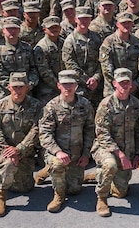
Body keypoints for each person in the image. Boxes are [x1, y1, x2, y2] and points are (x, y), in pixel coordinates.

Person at [0, 72, 44, 217]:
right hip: (4, 150)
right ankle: (1, 196)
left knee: (25, 188)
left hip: (25, 151)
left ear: (27, 88)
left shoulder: (36, 106)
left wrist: (19, 149)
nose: (18, 90)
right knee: (8, 164)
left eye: (21, 87)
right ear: (8, 87)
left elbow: (37, 129)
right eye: (14, 87)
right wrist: (6, 149)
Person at [39, 70, 96, 212]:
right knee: (58, 165)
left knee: (75, 190)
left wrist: (86, 154)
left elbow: (90, 130)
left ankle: (53, 172)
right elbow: (44, 133)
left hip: (76, 155)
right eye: (64, 85)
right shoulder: (52, 106)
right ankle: (58, 194)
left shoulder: (85, 104)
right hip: (57, 153)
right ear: (58, 85)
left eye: (71, 84)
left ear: (76, 85)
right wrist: (57, 152)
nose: (67, 88)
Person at [92, 68, 139, 217]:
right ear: (114, 83)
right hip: (106, 149)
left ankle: (98, 176)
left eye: (127, 83)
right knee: (110, 164)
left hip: (126, 151)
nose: (124, 86)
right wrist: (119, 154)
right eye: (121, 83)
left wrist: (137, 154)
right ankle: (101, 198)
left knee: (120, 193)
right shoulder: (106, 105)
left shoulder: (135, 104)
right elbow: (102, 133)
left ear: (131, 85)